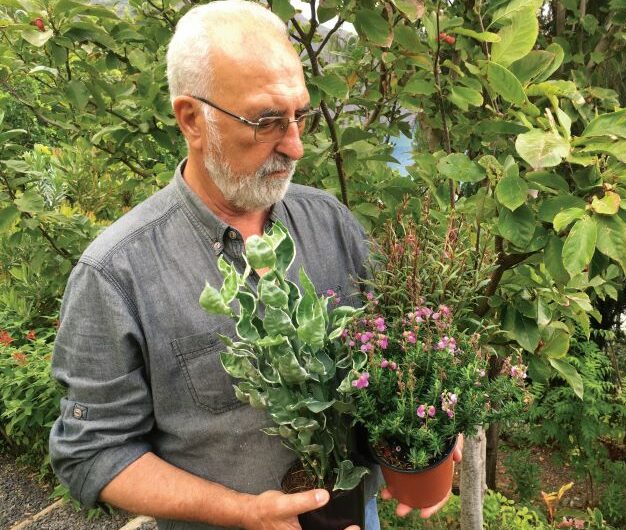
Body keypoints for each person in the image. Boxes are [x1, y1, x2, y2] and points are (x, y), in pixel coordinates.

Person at [49, 2, 461, 529]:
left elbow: (396, 353)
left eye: (299, 116)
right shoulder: (116, 273)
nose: (295, 146)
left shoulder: (329, 222)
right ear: (192, 119)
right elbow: (92, 454)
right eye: (267, 121)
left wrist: (434, 423)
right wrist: (241, 512)